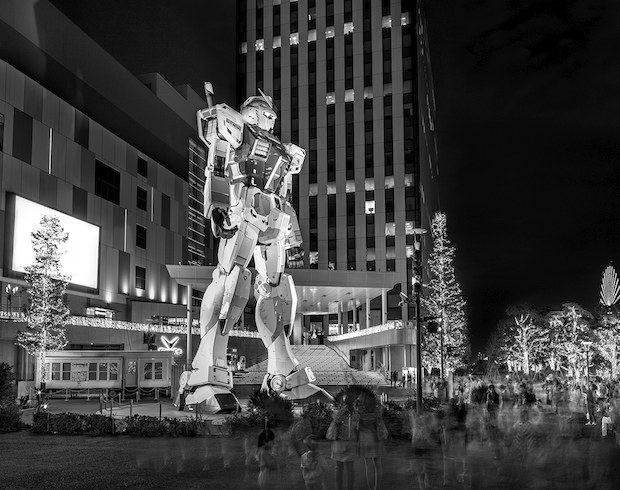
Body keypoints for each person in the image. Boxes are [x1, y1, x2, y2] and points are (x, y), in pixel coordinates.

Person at [327, 394, 359, 490]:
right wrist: (343, 410)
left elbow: (358, 423)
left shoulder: (355, 413)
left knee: (350, 469)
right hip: (339, 443)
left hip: (351, 442)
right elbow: (335, 419)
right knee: (338, 468)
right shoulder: (338, 411)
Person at [356, 393, 387, 490]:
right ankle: (377, 488)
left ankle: (370, 488)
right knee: (378, 464)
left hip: (365, 438)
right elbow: (381, 417)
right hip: (376, 437)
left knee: (368, 466)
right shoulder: (376, 410)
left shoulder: (360, 411)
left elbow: (356, 425)